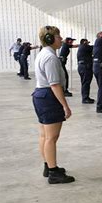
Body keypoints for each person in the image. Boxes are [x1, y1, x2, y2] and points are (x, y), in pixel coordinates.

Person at [32, 26, 75, 184]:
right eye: (58, 36)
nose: (61, 39)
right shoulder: (50, 57)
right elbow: (55, 84)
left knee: (45, 135)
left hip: (40, 95)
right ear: (50, 39)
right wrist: (65, 105)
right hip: (49, 97)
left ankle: (48, 165)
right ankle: (53, 173)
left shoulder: (43, 53)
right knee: (52, 137)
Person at [77, 39, 95, 104]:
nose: (88, 43)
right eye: (87, 42)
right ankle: (85, 98)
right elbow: (95, 47)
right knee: (86, 83)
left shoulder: (81, 47)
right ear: (84, 42)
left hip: (82, 66)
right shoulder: (85, 46)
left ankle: (86, 97)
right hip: (85, 67)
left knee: (84, 82)